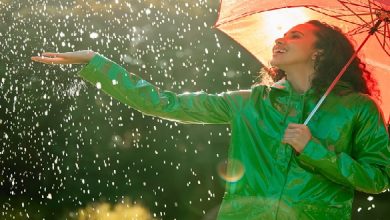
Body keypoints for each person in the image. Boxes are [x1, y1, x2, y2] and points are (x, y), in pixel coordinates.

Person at [32, 20, 389, 220]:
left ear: (321, 51)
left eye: (295, 35)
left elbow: (378, 179)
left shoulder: (359, 109)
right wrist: (96, 62)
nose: (281, 38)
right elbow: (166, 104)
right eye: (282, 33)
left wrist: (314, 150)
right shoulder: (250, 103)